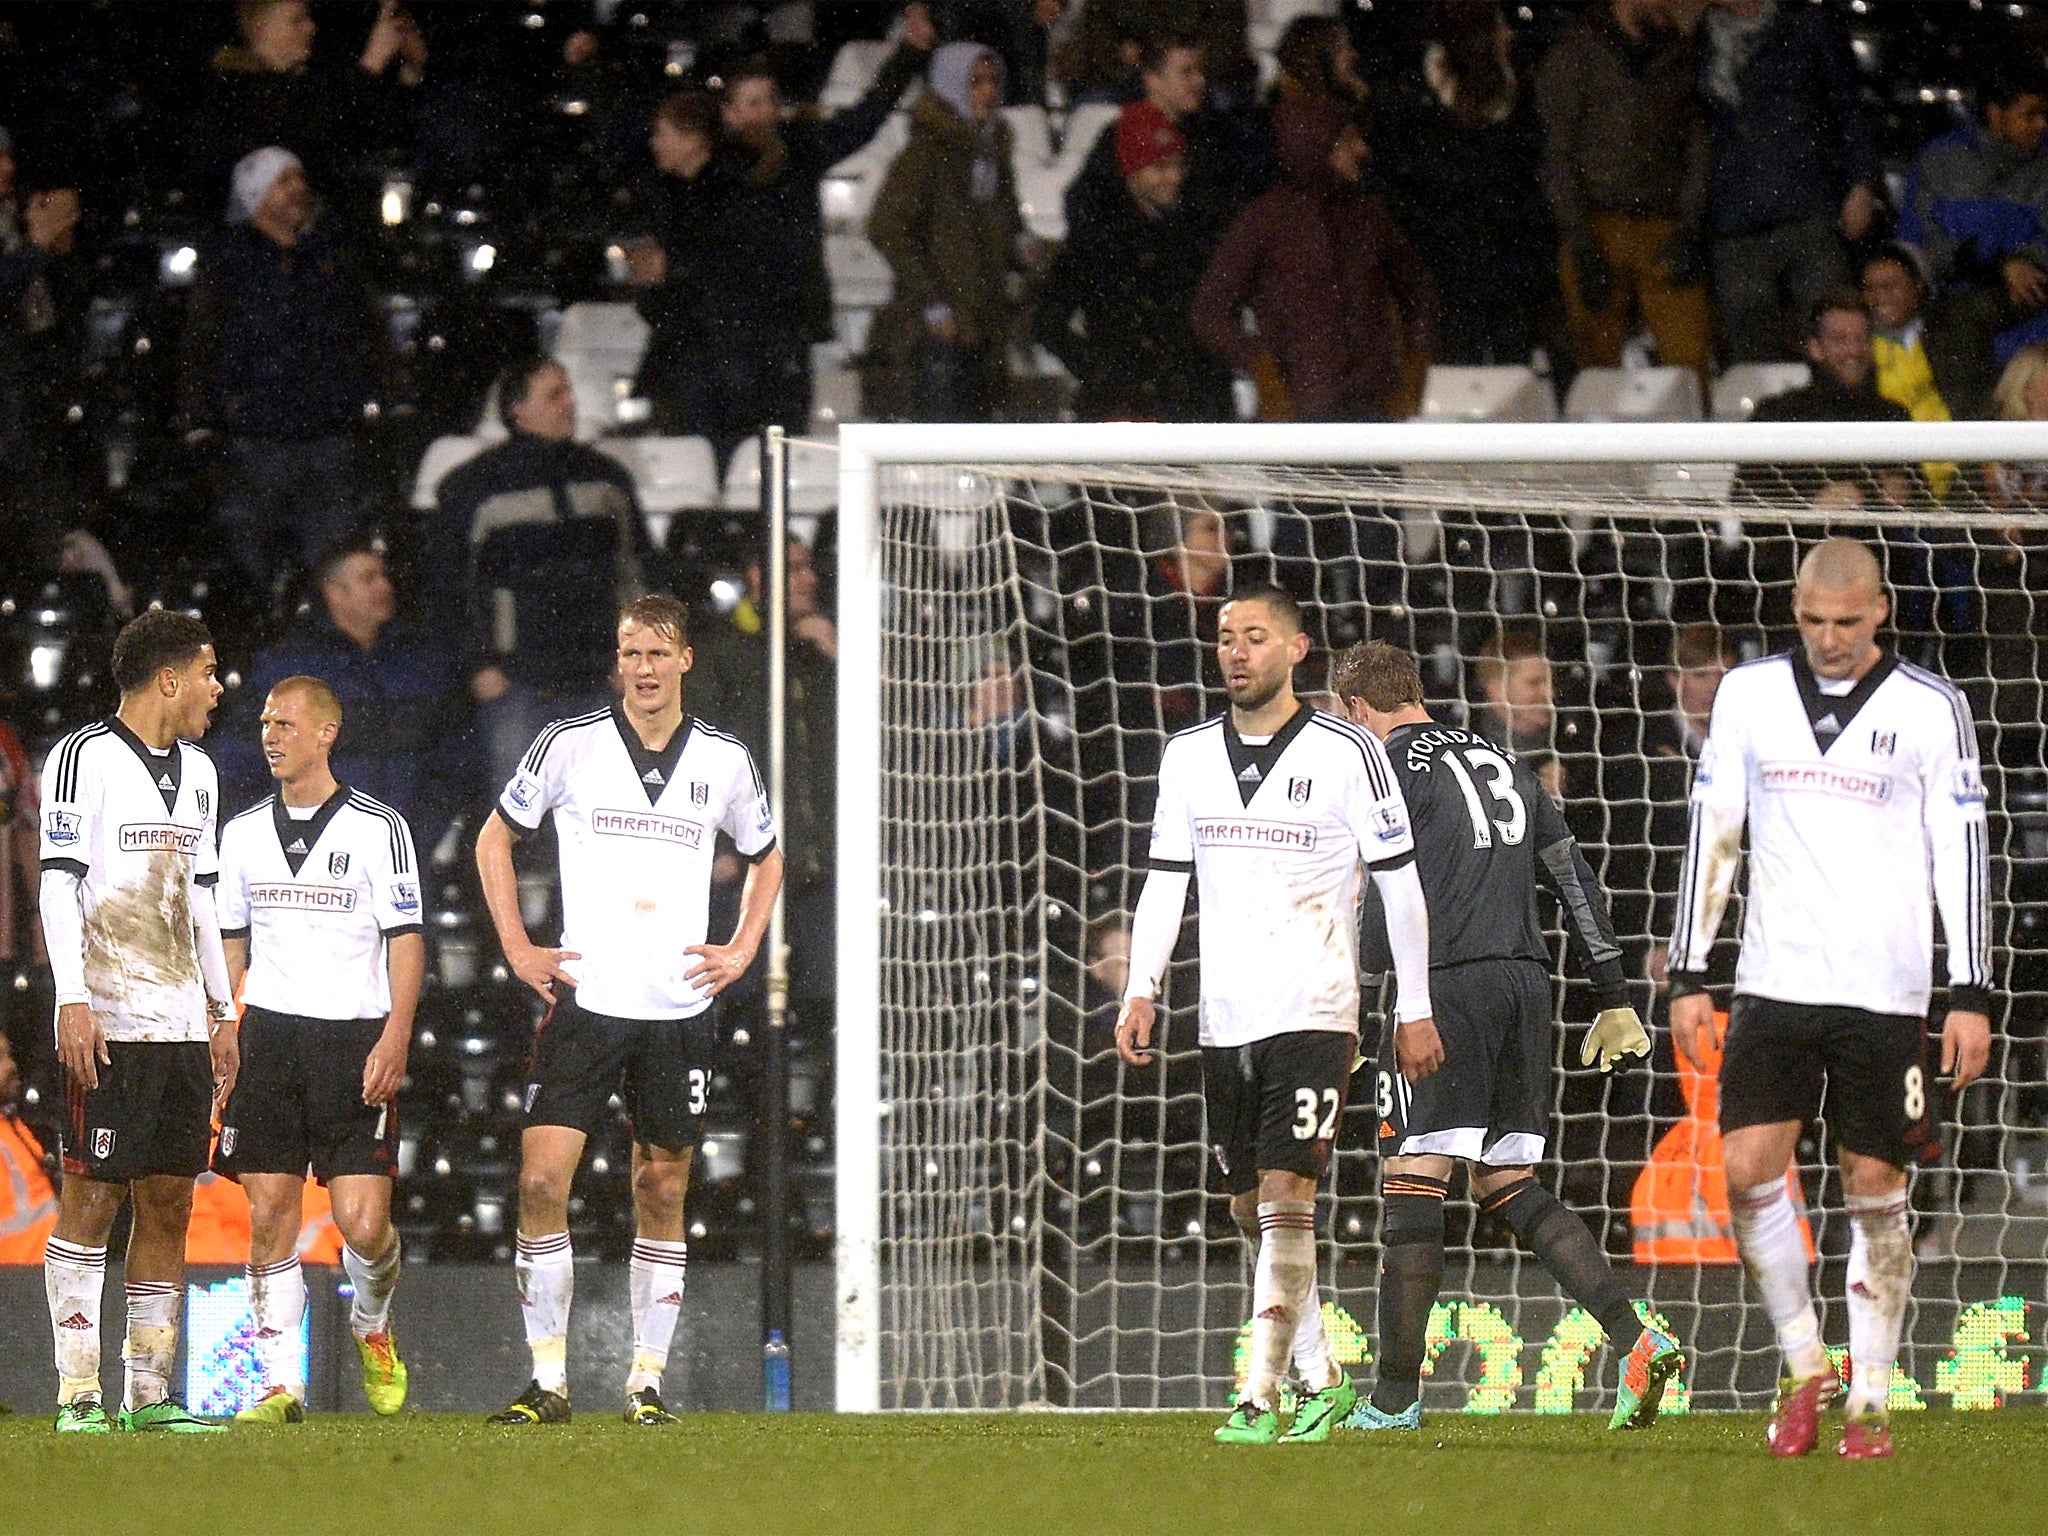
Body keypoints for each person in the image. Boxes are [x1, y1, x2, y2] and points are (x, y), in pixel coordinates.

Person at [1667, 538, 1992, 1460]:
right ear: (1795, 609)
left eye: (1848, 622)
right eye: (1813, 621)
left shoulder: (1934, 708)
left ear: (1881, 610)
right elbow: (1714, 831)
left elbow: (1961, 850)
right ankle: (1808, 1366)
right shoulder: (1750, 693)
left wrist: (1970, 990)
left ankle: (1872, 1404)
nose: (1830, 639)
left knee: (1875, 1190)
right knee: (1744, 1173)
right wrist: (1690, 972)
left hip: (1886, 991)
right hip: (1774, 981)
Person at [1114, 586, 1436, 1444]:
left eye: (1255, 637)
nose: (1237, 651)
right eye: (1226, 638)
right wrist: (1140, 985)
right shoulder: (1186, 755)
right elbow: (1165, 881)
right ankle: (1322, 1372)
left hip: (1316, 1007)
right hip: (1225, 1015)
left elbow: (1400, 883)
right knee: (1247, 1203)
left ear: (1296, 650)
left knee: (1291, 1190)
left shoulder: (1345, 752)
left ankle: (1259, 1394)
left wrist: (1415, 1004)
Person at [1330, 639, 1678, 1432]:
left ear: (1356, 709)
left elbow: (1386, 896)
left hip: (1445, 986)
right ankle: (1633, 1337)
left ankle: (1392, 1401)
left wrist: (1352, 1004)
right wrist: (1613, 993)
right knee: (1506, 1182)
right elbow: (1572, 876)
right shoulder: (1501, 757)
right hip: (1527, 985)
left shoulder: (1382, 769)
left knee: (1414, 1178)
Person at [477, 595, 783, 1426]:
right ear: (618, 662)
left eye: (657, 653)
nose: (642, 668)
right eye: (630, 653)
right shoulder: (570, 746)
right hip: (587, 1000)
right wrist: (518, 947)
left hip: (680, 1008)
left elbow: (766, 854)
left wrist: (744, 945)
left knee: (660, 1187)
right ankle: (548, 1381)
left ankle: (645, 1382)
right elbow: (493, 838)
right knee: (541, 1180)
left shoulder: (723, 760)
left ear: (685, 660)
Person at [37, 609, 237, 1433]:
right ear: (169, 678)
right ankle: (78, 1396)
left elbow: (202, 897)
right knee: (91, 1202)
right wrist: (70, 998)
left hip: (183, 1025)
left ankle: (149, 1397)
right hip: (110, 1018)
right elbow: (57, 883)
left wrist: (223, 1010)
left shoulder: (201, 771)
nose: (218, 689)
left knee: (167, 1204)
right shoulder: (82, 757)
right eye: (208, 672)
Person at [213, 676, 423, 1423]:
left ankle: (371, 1321)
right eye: (266, 723)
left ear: (327, 733)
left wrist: (396, 1033)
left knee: (363, 1225)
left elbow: (406, 939)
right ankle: (279, 1383)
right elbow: (230, 939)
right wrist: (223, 1024)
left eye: (287, 724)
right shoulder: (239, 833)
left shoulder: (377, 827)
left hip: (353, 1040)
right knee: (269, 1211)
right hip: (270, 1035)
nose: (270, 735)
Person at [426, 354, 649, 795]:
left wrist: (635, 656)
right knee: (516, 818)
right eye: (554, 394)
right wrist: (478, 667)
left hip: (599, 677)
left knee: (603, 813)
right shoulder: (472, 486)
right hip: (516, 683)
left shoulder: (607, 477)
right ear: (517, 410)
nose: (569, 404)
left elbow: (635, 573)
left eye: (568, 391)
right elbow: (448, 588)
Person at [179, 147, 384, 594]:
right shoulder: (229, 262)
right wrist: (200, 420)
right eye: (283, 181)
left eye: (298, 178)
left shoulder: (329, 257)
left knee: (334, 569)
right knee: (254, 570)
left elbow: (366, 330)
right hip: (256, 444)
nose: (297, 189)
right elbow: (201, 344)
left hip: (328, 438)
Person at [1191, 96, 1437, 421]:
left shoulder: (1370, 217)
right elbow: (1210, 311)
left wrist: (1415, 369)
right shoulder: (1265, 221)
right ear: (1319, 147)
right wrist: (1263, 369)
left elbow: (1419, 294)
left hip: (1371, 415)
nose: (1363, 150)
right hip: (1299, 419)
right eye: (1348, 140)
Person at [218, 538, 468, 858]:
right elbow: (240, 761)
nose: (384, 587)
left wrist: (420, 831)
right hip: (312, 861)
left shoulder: (423, 662)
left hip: (405, 853)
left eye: (383, 576)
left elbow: (455, 757)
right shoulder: (289, 667)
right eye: (368, 579)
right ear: (335, 593)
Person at [1535, 0, 1712, 382]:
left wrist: (1687, 227)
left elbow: (1697, 144)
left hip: (1662, 226)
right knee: (1596, 369)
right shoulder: (1577, 52)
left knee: (1689, 363)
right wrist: (1581, 244)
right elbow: (1557, 154)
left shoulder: (1678, 52)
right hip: (1597, 225)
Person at [1377, 0, 1558, 367]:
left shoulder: (1517, 97)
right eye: (1498, 27)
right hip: (1449, 277)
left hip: (1508, 275)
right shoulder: (1415, 104)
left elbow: (1530, 188)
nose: (1509, 34)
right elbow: (1407, 194)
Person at [1031, 101, 1234, 422]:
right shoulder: (1096, 240)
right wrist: (1099, 371)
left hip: (1186, 408)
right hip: (1118, 409)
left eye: (1178, 166)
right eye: (1160, 167)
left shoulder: (1196, 235)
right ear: (1132, 171)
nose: (1174, 177)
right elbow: (1047, 321)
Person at [1697, 0, 1876, 362]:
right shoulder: (1702, 35)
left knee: (1831, 329)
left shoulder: (1807, 25)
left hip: (1807, 205)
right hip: (1735, 216)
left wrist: (1862, 185)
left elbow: (1848, 106)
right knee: (1750, 341)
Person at [866, 42, 1022, 422]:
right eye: (975, 82)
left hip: (981, 324)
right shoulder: (927, 154)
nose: (987, 91)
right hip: (940, 330)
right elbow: (886, 226)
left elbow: (1004, 223)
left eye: (991, 81)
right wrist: (932, 302)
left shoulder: (990, 151)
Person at [1899, 60, 2048, 419]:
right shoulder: (1941, 161)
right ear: (1995, 113)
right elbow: (1921, 248)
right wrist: (1998, 266)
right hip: (1959, 296)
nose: (2041, 125)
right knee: (1956, 319)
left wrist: (2027, 262)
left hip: (2036, 291)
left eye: (2046, 114)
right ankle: (1978, 444)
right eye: (2030, 114)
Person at [0, 1029, 58, 1264]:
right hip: (14, 1283)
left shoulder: (11, 1127)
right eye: (2, 1057)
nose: (12, 1065)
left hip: (41, 1276)